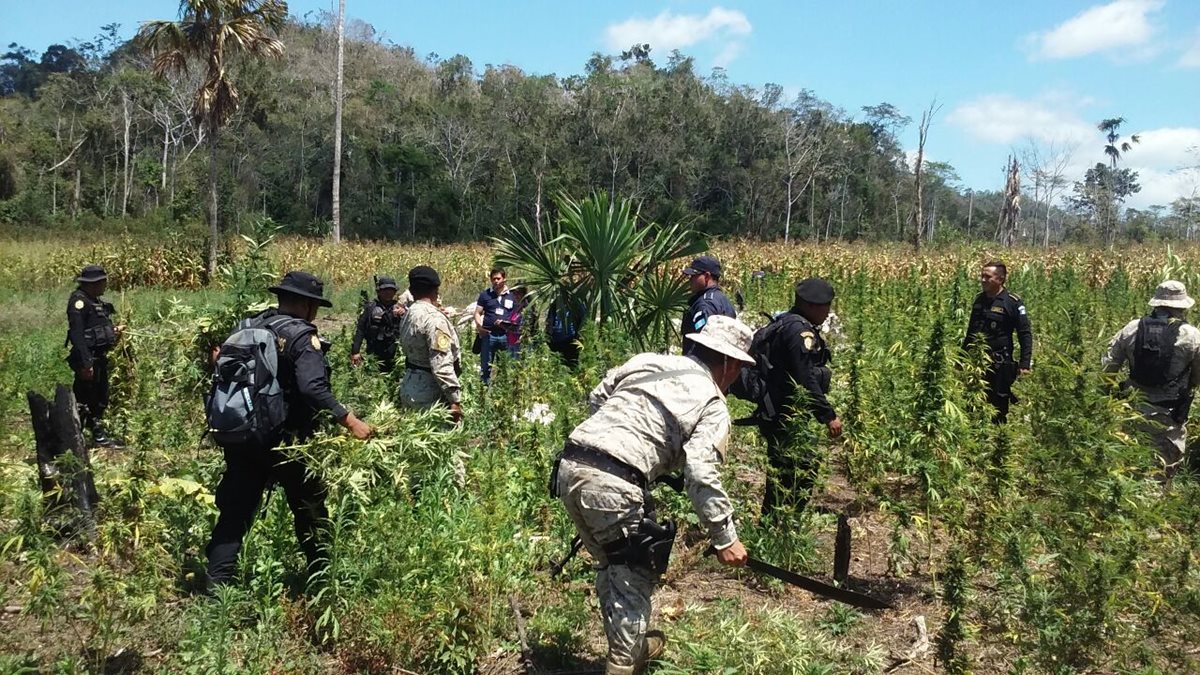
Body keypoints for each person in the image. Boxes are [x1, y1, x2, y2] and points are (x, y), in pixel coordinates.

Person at [551, 315, 753, 675]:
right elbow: (701, 472)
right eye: (738, 368)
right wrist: (725, 537)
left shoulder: (648, 361)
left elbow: (598, 396)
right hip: (614, 483)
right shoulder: (713, 403)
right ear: (730, 363)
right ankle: (625, 664)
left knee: (611, 566)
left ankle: (631, 649)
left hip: (571, 463)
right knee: (632, 578)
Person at [204, 270, 372, 589]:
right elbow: (312, 389)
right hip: (288, 442)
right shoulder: (301, 336)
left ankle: (216, 587)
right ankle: (323, 582)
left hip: (244, 433)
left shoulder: (250, 324)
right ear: (307, 305)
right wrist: (350, 420)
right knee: (310, 511)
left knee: (235, 513)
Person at [752, 277, 843, 516]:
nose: (828, 313)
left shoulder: (788, 323)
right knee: (796, 470)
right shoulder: (798, 331)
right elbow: (805, 377)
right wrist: (828, 415)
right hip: (785, 414)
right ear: (812, 306)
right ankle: (779, 524)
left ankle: (777, 523)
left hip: (781, 411)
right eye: (826, 307)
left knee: (787, 471)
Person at [1102, 280, 1200, 481]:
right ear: (1182, 308)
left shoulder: (1131, 328)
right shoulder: (1192, 336)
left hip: (1131, 411)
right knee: (1161, 473)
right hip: (1169, 416)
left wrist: (1106, 397)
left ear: (1156, 304)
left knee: (1127, 471)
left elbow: (1108, 367)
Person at [962, 261, 1033, 423]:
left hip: (1000, 363)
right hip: (978, 362)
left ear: (1000, 279)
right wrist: (962, 358)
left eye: (988, 277)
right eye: (982, 276)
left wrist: (1025, 363)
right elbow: (970, 333)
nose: (983, 280)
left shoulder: (1012, 302)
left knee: (999, 403)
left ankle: (998, 438)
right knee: (974, 399)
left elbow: (1025, 334)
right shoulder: (979, 301)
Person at [397, 265, 464, 423]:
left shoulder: (410, 313)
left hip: (410, 384)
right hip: (430, 392)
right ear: (435, 290)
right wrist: (454, 400)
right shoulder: (434, 319)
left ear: (412, 291)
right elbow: (440, 364)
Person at [66, 264, 123, 448]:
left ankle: (95, 433)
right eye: (102, 282)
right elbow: (77, 334)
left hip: (99, 357)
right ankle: (75, 436)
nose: (105, 285)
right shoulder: (79, 302)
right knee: (85, 398)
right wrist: (86, 363)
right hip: (88, 357)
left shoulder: (95, 301)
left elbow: (96, 328)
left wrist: (113, 332)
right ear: (93, 283)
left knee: (100, 397)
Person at [351, 276, 403, 372]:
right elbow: (360, 330)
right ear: (379, 291)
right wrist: (355, 351)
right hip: (374, 352)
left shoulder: (399, 309)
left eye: (391, 290)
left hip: (394, 354)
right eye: (385, 290)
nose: (388, 293)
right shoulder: (370, 308)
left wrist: (404, 314)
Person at [473, 267, 515, 383]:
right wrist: (479, 327)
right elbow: (477, 312)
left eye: (498, 278)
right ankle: (484, 392)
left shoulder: (512, 295)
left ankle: (502, 391)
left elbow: (517, 314)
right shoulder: (485, 295)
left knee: (505, 366)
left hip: (505, 335)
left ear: (504, 279)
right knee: (485, 367)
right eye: (493, 279)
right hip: (488, 335)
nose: (496, 281)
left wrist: (509, 325)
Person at [680, 255, 736, 341]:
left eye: (694, 276)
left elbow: (701, 340)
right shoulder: (722, 299)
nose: (690, 280)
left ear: (706, 276)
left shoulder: (705, 304)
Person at [547, 298, 585, 369]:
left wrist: (579, 336)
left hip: (570, 340)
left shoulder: (577, 303)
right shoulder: (555, 304)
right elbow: (550, 321)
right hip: (555, 341)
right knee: (556, 368)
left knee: (570, 367)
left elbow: (583, 320)